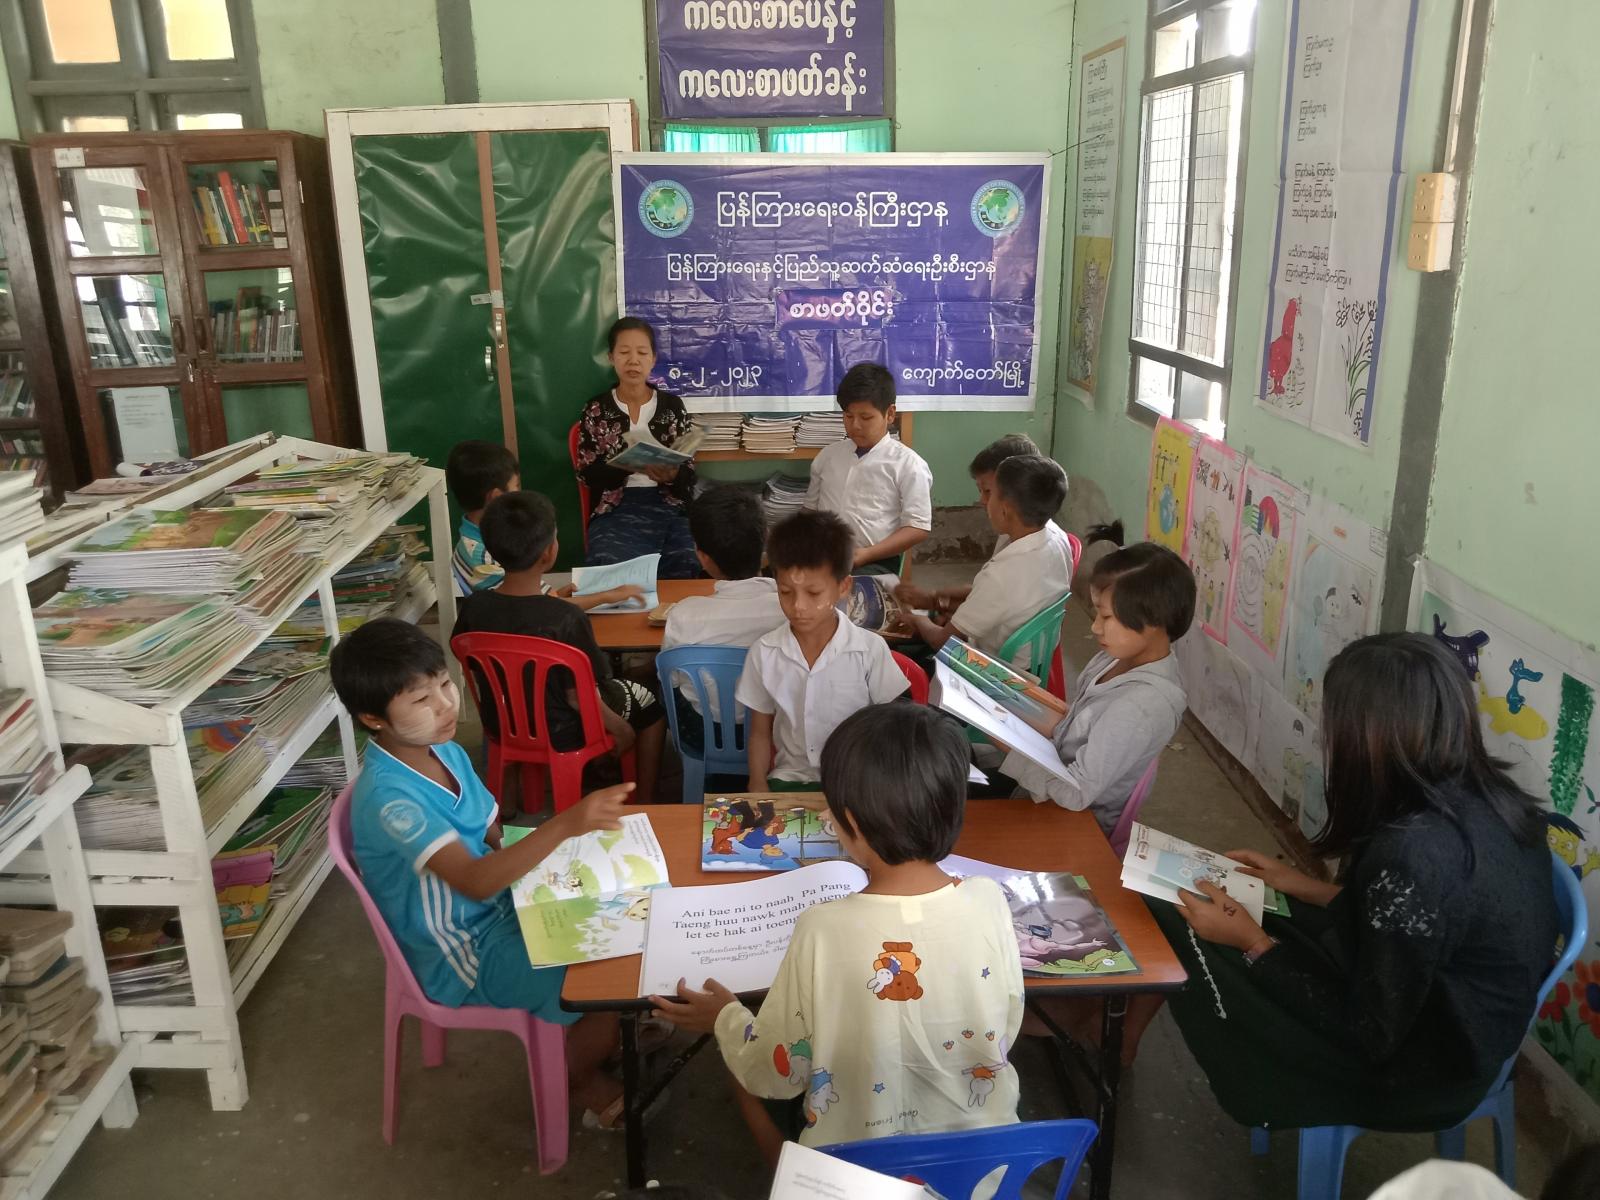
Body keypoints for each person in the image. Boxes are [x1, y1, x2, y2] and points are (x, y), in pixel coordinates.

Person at [1155, 632, 1557, 1128]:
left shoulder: (1414, 852)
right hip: (1449, 1020)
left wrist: (1252, 943)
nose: (1327, 739)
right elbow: (1426, 923)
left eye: (1333, 725)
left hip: (1424, 1071)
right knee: (1235, 905)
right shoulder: (1492, 797)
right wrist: (1304, 886)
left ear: (1367, 737)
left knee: (1191, 930)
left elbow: (1368, 1033)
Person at [649, 704, 1025, 1163]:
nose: (825, 813)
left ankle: (782, 1170)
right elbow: (1005, 1025)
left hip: (851, 1173)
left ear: (854, 824)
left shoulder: (822, 928)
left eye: (830, 805)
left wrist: (725, 1018)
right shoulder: (988, 899)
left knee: (742, 1069)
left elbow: (776, 1072)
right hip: (985, 1169)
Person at [330, 618, 630, 1127]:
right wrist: (564, 826)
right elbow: (474, 880)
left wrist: (562, 867)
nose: (446, 706)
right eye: (421, 699)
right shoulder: (391, 801)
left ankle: (603, 1032)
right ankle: (579, 1079)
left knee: (625, 914)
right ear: (372, 718)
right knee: (606, 978)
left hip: (501, 903)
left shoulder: (443, 749)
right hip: (462, 950)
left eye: (444, 684)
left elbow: (492, 832)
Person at [452, 491, 667, 805]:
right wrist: (620, 729)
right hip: (566, 729)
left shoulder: (475, 607)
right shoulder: (566, 617)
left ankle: (510, 797)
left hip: (504, 721)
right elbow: (579, 696)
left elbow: (466, 655)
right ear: (549, 552)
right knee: (649, 703)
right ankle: (647, 800)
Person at [1001, 541, 1193, 836]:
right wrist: (1005, 698)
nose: (1094, 627)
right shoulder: (1116, 657)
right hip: (1049, 781)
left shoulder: (1141, 706)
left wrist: (1004, 741)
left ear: (1153, 620)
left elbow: (1075, 794)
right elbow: (1076, 722)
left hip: (1074, 824)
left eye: (1106, 617)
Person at [736, 510, 909, 790]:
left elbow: (889, 729)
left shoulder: (869, 650)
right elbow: (759, 733)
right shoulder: (764, 652)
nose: (798, 606)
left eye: (814, 593)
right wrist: (757, 782)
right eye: (785, 592)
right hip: (789, 777)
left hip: (855, 782)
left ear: (843, 587)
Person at [896, 454, 1074, 663]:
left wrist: (916, 620)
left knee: (899, 650)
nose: (983, 501)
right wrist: (936, 600)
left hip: (997, 667)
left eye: (991, 494)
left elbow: (942, 641)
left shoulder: (1002, 574)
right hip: (1036, 652)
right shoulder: (1057, 536)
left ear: (1005, 510)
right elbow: (994, 596)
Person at [660, 486, 785, 775]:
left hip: (704, 735)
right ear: (766, 540)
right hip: (777, 732)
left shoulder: (683, 614)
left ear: (702, 556)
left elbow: (673, 679)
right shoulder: (792, 609)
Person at [574, 317, 700, 578]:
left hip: (669, 505)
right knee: (607, 560)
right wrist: (623, 465)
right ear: (611, 357)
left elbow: (689, 474)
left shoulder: (673, 406)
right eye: (624, 352)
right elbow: (587, 474)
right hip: (615, 507)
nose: (633, 360)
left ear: (653, 359)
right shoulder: (596, 409)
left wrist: (672, 475)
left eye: (642, 353)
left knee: (686, 557)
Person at [803, 362, 932, 575]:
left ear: (890, 414)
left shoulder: (909, 465)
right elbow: (809, 510)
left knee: (848, 592)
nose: (855, 425)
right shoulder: (828, 456)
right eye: (848, 416)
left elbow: (917, 527)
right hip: (823, 554)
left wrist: (866, 554)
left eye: (866, 417)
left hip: (875, 561)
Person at [446, 440, 519, 595]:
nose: (518, 492)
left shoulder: (489, 535)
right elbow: (526, 602)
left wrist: (556, 595)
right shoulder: (481, 558)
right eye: (516, 486)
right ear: (496, 497)